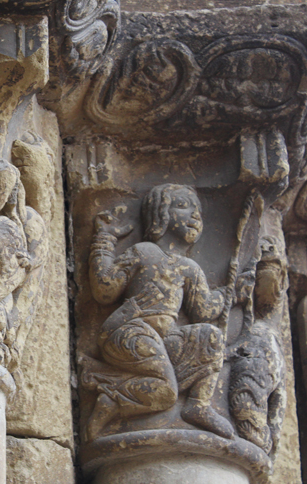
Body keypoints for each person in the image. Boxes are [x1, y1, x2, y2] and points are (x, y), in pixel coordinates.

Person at [85, 184, 234, 439]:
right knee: (166, 393)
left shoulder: (190, 267)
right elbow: (104, 290)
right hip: (131, 331)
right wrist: (104, 240)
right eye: (183, 205)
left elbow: (204, 311)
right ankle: (111, 399)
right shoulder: (144, 252)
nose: (195, 215)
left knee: (212, 337)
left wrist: (230, 293)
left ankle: (198, 405)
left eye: (198, 210)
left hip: (164, 339)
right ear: (159, 213)